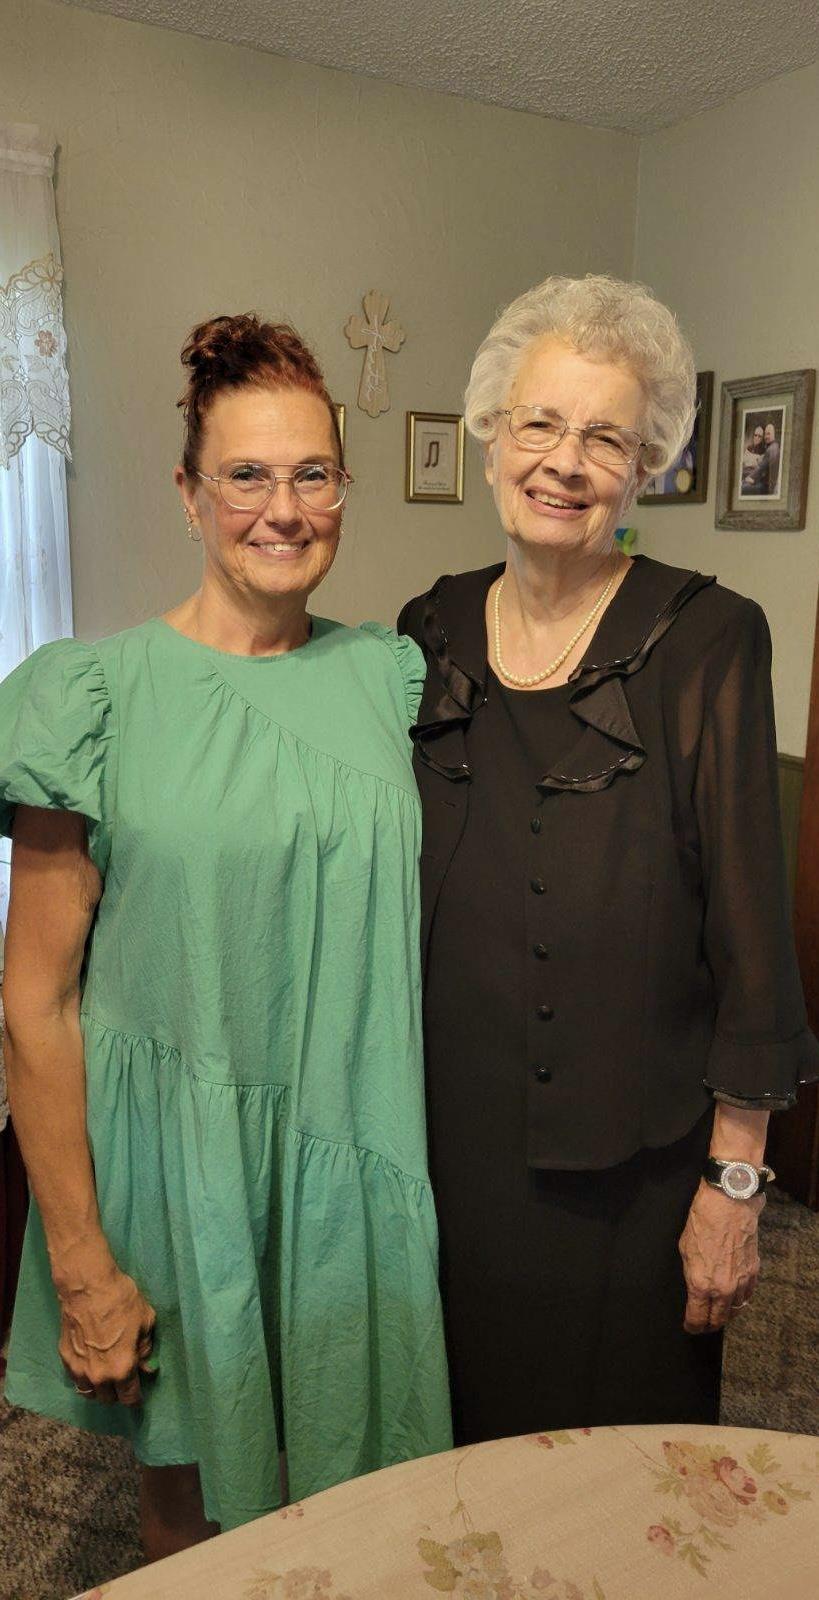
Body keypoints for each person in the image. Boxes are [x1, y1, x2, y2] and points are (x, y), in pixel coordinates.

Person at [0, 314, 451, 1556]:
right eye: (247, 474)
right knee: (196, 1527)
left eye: (313, 473)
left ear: (345, 491)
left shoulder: (390, 677)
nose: (283, 507)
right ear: (190, 492)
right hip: (181, 1183)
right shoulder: (93, 695)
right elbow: (32, 1005)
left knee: (366, 1513)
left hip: (354, 1157)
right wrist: (85, 1264)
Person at [398, 274, 817, 1445]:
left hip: (630, 1172)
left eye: (604, 438)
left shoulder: (709, 639)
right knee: (456, 1456)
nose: (564, 461)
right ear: (491, 439)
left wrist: (735, 1184)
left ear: (644, 470)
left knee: (618, 1478)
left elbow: (752, 940)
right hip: (452, 1143)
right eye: (540, 423)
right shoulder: (428, 624)